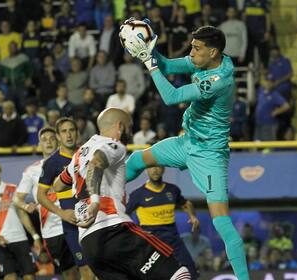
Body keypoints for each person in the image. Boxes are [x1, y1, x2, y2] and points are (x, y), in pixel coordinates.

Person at [123, 24, 250, 279]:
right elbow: (169, 66)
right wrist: (151, 49)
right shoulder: (206, 61)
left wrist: (150, 64)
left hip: (210, 155)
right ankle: (98, 195)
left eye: (196, 48)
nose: (191, 51)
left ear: (213, 52)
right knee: (138, 160)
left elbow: (172, 96)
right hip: (186, 142)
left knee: (221, 221)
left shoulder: (218, 80)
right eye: (192, 45)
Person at [52, 107, 193, 279]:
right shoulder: (114, 145)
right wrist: (95, 201)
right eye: (129, 127)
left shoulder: (78, 154)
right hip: (114, 230)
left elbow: (58, 185)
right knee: (179, 273)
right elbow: (95, 165)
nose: (131, 132)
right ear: (119, 126)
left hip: (89, 244)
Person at [13, 127, 78, 279]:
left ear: (58, 141)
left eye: (52, 138)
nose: (48, 142)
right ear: (39, 145)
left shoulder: (73, 161)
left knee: (87, 268)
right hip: (52, 230)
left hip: (75, 222)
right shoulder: (32, 170)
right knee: (69, 273)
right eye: (44, 140)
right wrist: (25, 206)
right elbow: (17, 198)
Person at [37, 118, 95, 280]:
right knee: (86, 271)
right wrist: (61, 213)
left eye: (72, 130)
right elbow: (40, 196)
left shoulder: (87, 153)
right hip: (72, 225)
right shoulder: (51, 163)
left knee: (101, 268)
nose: (68, 135)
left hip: (95, 219)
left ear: (77, 132)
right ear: (58, 135)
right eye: (64, 131)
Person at [126, 166, 200, 277]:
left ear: (163, 169)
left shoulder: (172, 190)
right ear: (146, 171)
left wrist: (193, 216)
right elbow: (125, 214)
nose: (155, 170)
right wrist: (135, 232)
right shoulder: (138, 194)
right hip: (151, 242)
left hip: (173, 239)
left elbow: (186, 204)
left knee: (191, 272)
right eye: (151, 167)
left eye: (158, 167)